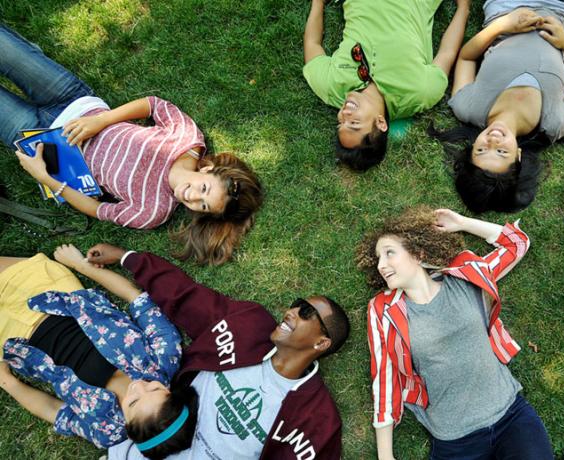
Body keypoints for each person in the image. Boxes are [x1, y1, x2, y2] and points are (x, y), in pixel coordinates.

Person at [0, 24, 263, 265]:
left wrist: (44, 177)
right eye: (204, 189)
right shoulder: (188, 140)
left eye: (202, 206)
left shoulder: (152, 212)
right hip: (72, 100)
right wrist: (102, 120)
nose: (193, 197)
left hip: (43, 141)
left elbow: (96, 209)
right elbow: (153, 104)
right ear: (207, 171)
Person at [80, 243, 351, 460]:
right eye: (296, 304)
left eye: (306, 313)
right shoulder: (249, 325)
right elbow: (187, 297)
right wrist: (128, 257)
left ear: (321, 343)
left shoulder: (316, 417)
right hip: (139, 446)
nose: (291, 312)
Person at [356, 207, 553, 460]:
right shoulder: (383, 310)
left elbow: (517, 243)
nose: (382, 265)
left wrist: (462, 223)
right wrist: (386, 456)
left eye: (389, 253)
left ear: (417, 254)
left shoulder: (464, 277)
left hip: (511, 418)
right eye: (378, 258)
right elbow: (384, 378)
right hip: (455, 441)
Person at [0, 245, 196, 459]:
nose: (139, 386)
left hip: (16, 340)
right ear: (170, 393)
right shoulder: (164, 357)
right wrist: (81, 265)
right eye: (154, 388)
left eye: (133, 402)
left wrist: (8, 383)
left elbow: (54, 411)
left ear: (127, 426)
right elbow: (135, 297)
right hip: (49, 293)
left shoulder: (106, 430)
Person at [431, 0, 564, 213]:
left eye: (481, 149)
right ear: (518, 156)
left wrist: (502, 25)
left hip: (503, 7)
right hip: (558, 8)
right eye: (500, 151)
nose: (492, 140)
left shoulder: (468, 107)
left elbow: (466, 58)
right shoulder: (553, 123)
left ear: (471, 148)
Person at [303, 0, 471, 171]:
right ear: (381, 123)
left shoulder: (331, 86)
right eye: (354, 122)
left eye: (341, 122)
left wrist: (318, 3)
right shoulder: (420, 92)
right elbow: (447, 52)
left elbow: (312, 44)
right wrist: (463, 8)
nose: (345, 113)